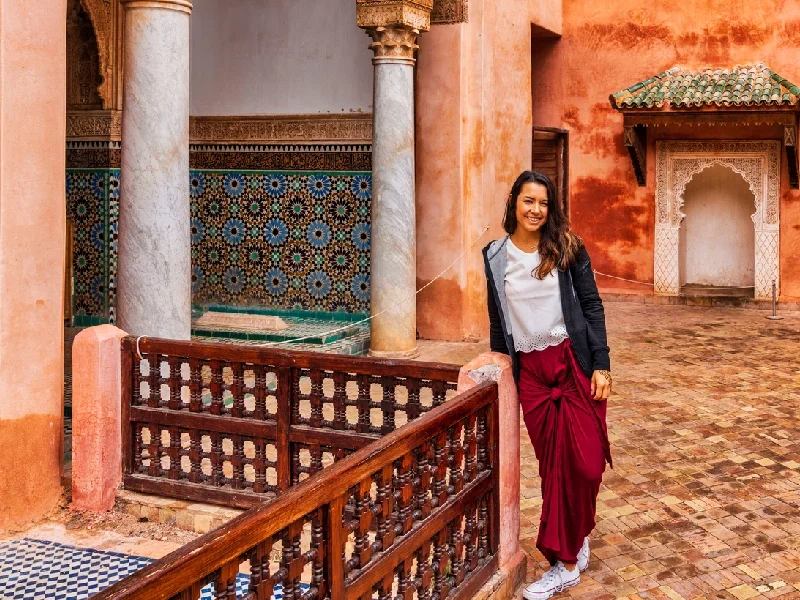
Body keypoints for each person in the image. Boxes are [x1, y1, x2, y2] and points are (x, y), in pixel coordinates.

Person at [483, 171, 612, 600]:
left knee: (587, 463)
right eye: (528, 201)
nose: (536, 209)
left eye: (543, 202)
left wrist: (602, 364)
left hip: (572, 362)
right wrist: (502, 376)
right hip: (532, 377)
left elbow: (591, 305)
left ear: (550, 207)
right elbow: (498, 324)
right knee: (554, 468)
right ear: (514, 203)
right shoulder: (494, 256)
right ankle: (565, 563)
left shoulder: (567, 248)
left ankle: (574, 534)